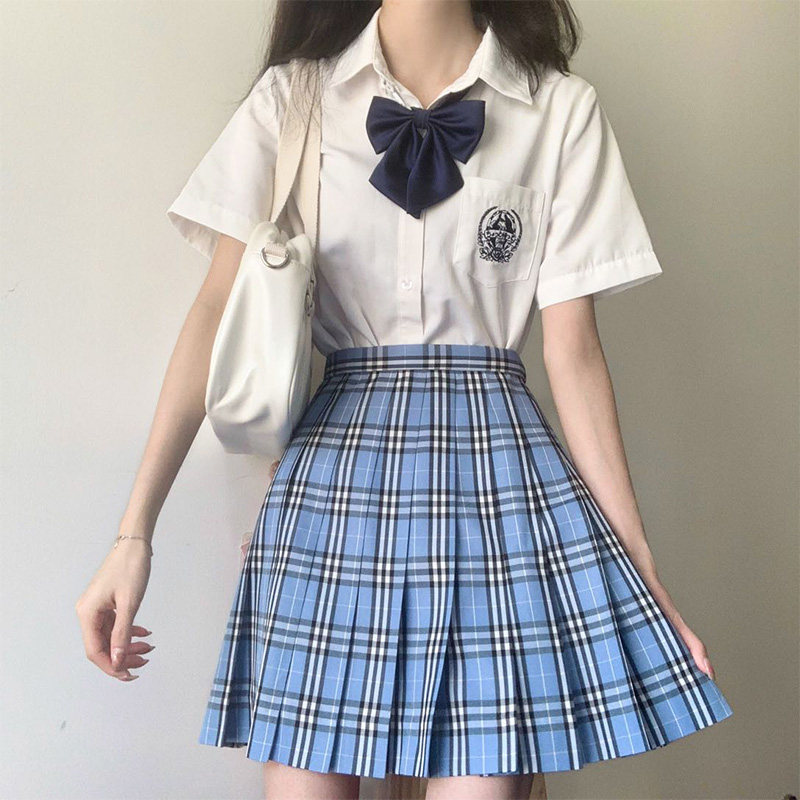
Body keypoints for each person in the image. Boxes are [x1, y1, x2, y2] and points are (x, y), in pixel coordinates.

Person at [75, 2, 734, 798]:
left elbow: (574, 353)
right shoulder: (294, 100)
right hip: (334, 492)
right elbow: (216, 311)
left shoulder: (559, 109)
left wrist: (639, 565)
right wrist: (133, 535)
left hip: (498, 492)